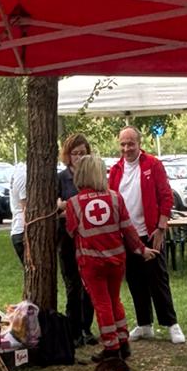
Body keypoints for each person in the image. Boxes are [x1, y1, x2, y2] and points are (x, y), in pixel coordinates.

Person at [63, 152, 153, 355]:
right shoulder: (115, 198)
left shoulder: (74, 203)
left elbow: (70, 230)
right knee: (115, 300)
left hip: (91, 262)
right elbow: (128, 229)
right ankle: (123, 341)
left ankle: (111, 347)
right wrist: (141, 249)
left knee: (101, 304)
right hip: (117, 259)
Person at [107, 125, 184, 343]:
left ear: (139, 144)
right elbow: (112, 199)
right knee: (134, 280)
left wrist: (161, 227)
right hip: (126, 236)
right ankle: (144, 324)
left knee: (158, 279)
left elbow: (165, 197)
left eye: (130, 143)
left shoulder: (153, 164)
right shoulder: (115, 170)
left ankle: (171, 324)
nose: (126, 148)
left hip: (150, 232)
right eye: (122, 144)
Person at [57, 133, 97, 346]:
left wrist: (70, 206)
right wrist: (65, 207)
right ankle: (73, 331)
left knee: (90, 283)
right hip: (68, 239)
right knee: (73, 285)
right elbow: (57, 207)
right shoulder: (61, 178)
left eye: (83, 153)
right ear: (68, 155)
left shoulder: (92, 177)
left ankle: (86, 328)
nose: (79, 157)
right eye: (75, 153)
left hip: (90, 238)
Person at [9, 159, 26, 265]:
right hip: (22, 232)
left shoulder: (19, 171)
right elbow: (26, 209)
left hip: (18, 230)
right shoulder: (24, 176)